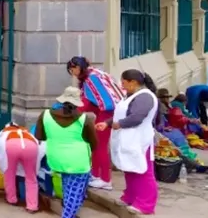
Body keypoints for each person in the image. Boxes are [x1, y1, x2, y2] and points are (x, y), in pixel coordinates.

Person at [99, 69, 159, 215]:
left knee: (143, 171)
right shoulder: (130, 96)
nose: (122, 85)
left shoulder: (145, 97)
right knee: (130, 169)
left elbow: (137, 117)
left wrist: (118, 124)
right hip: (127, 140)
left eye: (124, 82)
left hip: (140, 140)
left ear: (133, 82)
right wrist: (107, 123)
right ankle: (130, 196)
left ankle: (146, 204)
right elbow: (120, 114)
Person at [36, 87, 98, 218]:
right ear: (77, 102)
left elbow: (40, 136)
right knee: (75, 193)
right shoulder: (84, 119)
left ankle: (69, 212)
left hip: (56, 159)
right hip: (79, 162)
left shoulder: (45, 115)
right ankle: (67, 215)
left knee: (67, 188)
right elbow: (94, 143)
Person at [66, 56, 125, 190]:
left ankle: (105, 179)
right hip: (105, 112)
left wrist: (74, 111)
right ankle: (95, 174)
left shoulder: (91, 79)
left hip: (107, 113)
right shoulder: (95, 74)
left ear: (78, 67)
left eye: (72, 69)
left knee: (99, 145)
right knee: (95, 144)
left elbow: (101, 101)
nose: (72, 73)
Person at [0, 121, 41, 213]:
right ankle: (32, 206)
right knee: (31, 177)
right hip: (31, 146)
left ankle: (11, 199)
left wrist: (2, 167)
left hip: (10, 146)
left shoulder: (3, 133)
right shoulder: (26, 132)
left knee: (9, 175)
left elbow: (0, 152)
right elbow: (39, 148)